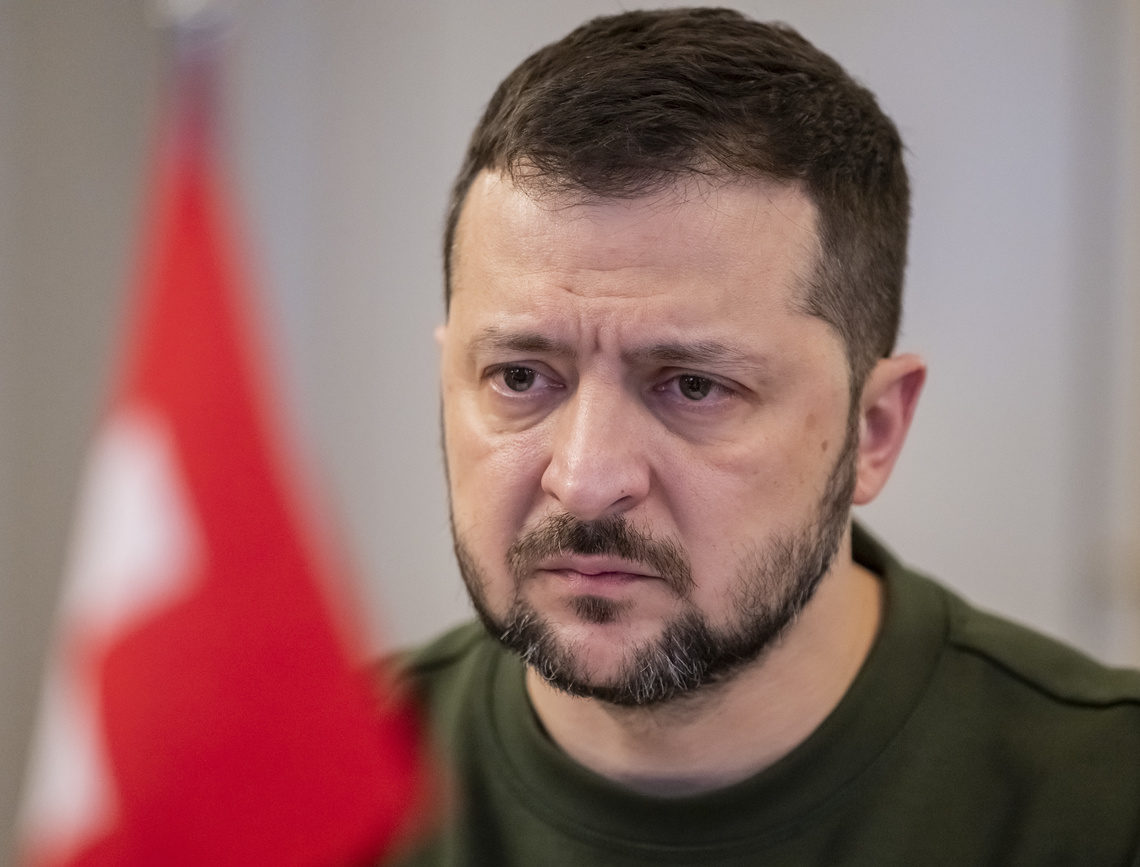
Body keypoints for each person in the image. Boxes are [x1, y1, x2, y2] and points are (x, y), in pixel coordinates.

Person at [392, 8, 1140, 865]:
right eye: (521, 377)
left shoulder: (1106, 803)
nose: (587, 477)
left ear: (874, 429)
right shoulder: (297, 792)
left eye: (695, 385)